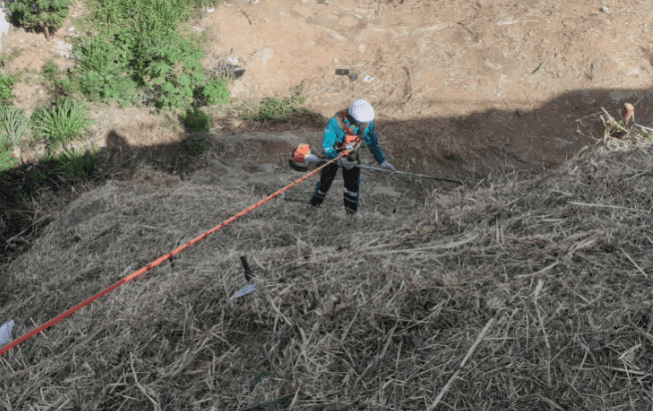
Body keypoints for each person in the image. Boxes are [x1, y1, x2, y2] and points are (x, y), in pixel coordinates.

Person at [309, 99, 394, 215]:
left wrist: (383, 162)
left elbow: (372, 143)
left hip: (352, 155)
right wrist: (339, 160)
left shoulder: (367, 122)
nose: (363, 125)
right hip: (333, 153)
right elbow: (327, 145)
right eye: (360, 122)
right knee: (325, 182)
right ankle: (313, 207)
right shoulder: (336, 122)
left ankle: (351, 215)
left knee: (352, 187)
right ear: (352, 117)